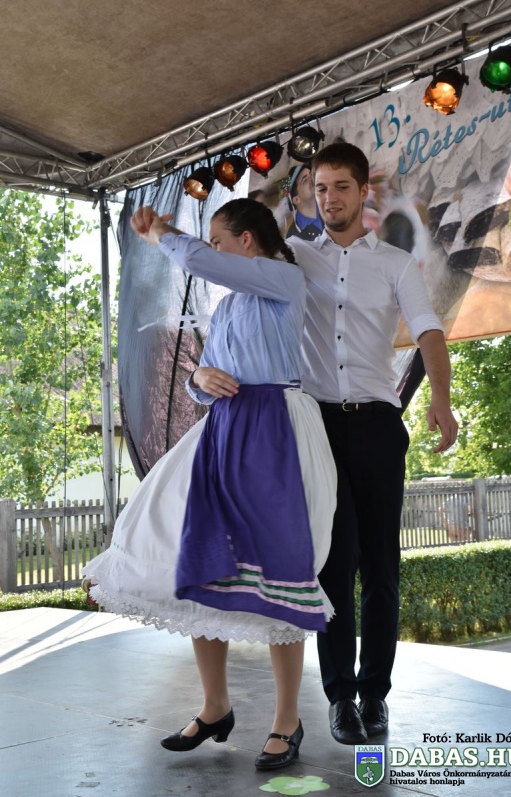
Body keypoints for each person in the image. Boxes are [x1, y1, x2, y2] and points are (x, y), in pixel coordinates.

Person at [82, 198, 336, 771]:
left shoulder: (283, 279)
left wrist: (164, 235)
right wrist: (199, 375)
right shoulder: (227, 309)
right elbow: (206, 378)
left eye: (219, 240)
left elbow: (202, 262)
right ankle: (215, 706)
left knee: (281, 565)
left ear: (246, 241)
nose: (213, 251)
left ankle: (287, 719)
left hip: (274, 428)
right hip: (223, 429)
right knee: (197, 554)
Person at [288, 142, 459, 744]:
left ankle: (375, 696)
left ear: (364, 192)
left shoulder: (395, 263)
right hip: (317, 425)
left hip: (379, 424)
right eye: (321, 188)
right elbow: (239, 270)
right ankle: (339, 698)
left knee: (381, 567)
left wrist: (441, 399)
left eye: (341, 186)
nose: (329, 198)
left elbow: (430, 331)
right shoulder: (295, 258)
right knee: (332, 566)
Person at [283, 164, 324, 240]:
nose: (312, 178)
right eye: (305, 180)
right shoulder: (294, 237)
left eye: (311, 174)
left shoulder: (329, 206)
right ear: (296, 199)